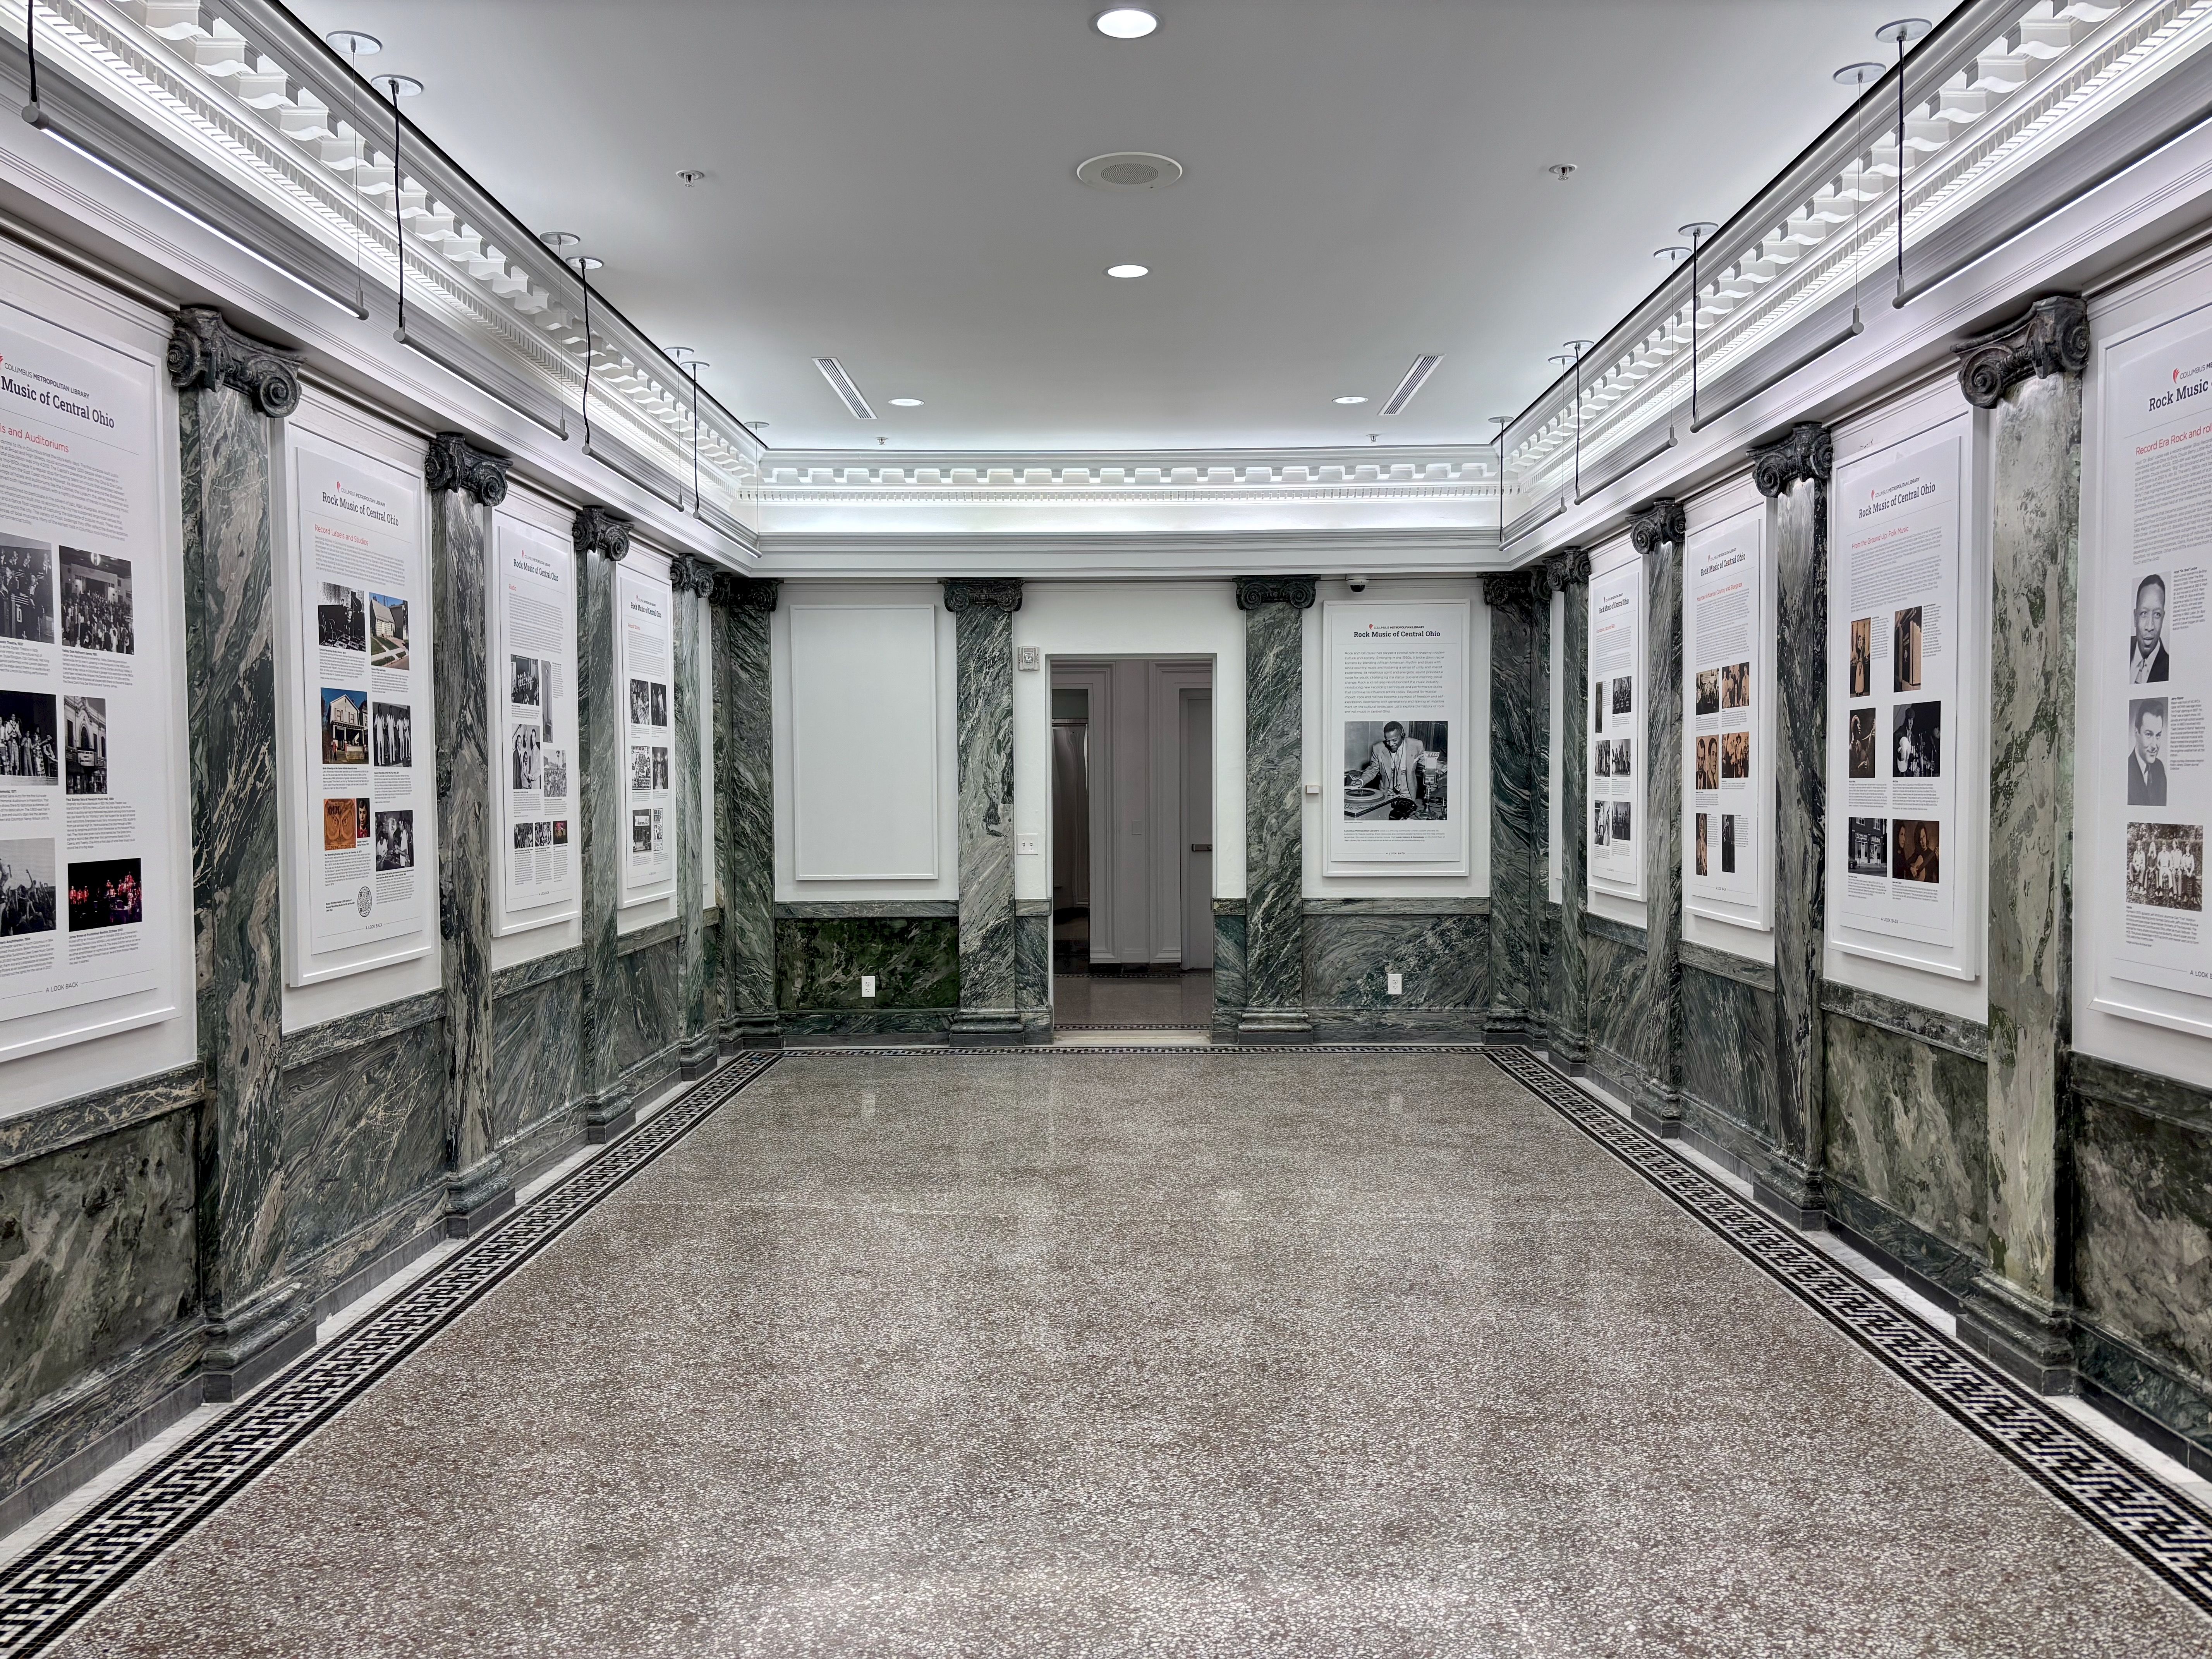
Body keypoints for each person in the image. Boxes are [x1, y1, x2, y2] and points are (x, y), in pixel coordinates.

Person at [1348, 722, 1434, 820]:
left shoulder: (1416, 745)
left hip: (1408, 794)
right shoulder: (1378, 748)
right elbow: (1373, 769)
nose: (1391, 744)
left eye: (1394, 740)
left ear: (1403, 734)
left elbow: (1427, 761)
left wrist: (1441, 767)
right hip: (1386, 794)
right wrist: (1361, 780)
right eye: (1388, 740)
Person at [2131, 574, 2171, 683]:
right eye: (2144, 613)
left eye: (2157, 614)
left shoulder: (2170, 668)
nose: (2150, 627)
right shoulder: (2120, 650)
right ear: (2135, 618)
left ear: (2163, 618)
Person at [2130, 699, 2167, 806]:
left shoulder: (2159, 768)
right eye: (2149, 735)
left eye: (2158, 735)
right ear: (2137, 733)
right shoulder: (2126, 769)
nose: (2155, 745)